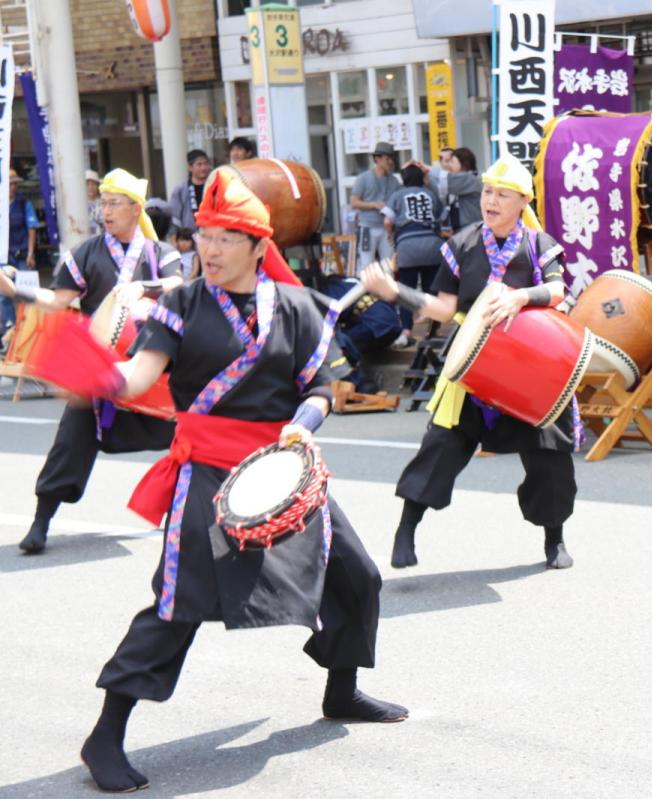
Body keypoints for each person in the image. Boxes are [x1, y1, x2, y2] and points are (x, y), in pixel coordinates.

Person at [76, 167, 405, 793]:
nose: (212, 249)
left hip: (283, 469)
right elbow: (140, 377)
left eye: (228, 238)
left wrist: (306, 424)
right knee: (180, 604)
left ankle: (342, 690)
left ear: (260, 246)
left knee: (356, 575)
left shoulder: (298, 307)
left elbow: (322, 387)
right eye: (205, 236)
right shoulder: (182, 304)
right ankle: (106, 735)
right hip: (207, 472)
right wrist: (96, 375)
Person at [360, 153, 576, 571]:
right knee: (440, 444)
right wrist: (394, 292)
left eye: (502, 194)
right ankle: (406, 528)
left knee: (550, 453)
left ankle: (555, 538)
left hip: (529, 365)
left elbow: (556, 292)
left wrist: (518, 296)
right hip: (474, 364)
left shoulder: (538, 245)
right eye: (488, 192)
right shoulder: (461, 244)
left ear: (522, 201)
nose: (491, 201)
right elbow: (443, 309)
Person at [0, 169, 184, 554]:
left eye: (114, 203)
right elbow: (59, 299)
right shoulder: (88, 252)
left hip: (152, 367)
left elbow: (176, 285)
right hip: (99, 369)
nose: (106, 210)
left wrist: (141, 286)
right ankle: (41, 522)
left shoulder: (160, 254)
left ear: (136, 209)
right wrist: (17, 292)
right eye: (103, 203)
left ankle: (186, 516)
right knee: (69, 443)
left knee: (190, 440)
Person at [383, 163, 444, 345]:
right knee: (431, 291)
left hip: (407, 247)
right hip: (432, 246)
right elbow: (442, 218)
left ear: (403, 179)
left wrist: (392, 235)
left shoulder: (397, 196)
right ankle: (434, 331)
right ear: (422, 178)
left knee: (405, 291)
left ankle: (407, 331)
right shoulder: (431, 195)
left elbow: (387, 221)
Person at [0, 170, 41, 337]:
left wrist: (31, 253)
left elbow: (32, 228)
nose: (13, 187)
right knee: (3, 295)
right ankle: (10, 329)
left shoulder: (24, 203)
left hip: (23, 254)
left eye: (15, 183)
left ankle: (29, 329)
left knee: (28, 292)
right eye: (10, 184)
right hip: (4, 257)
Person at [350, 142, 400, 267]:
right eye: (387, 158)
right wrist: (373, 204)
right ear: (377, 159)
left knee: (388, 265)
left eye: (392, 158)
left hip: (388, 228)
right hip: (367, 226)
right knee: (366, 264)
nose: (390, 162)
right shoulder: (363, 178)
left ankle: (386, 286)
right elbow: (354, 202)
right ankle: (367, 287)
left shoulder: (394, 181)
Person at [412, 147, 483, 233]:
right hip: (463, 229)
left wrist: (426, 167)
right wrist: (428, 182)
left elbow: (447, 178)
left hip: (472, 228)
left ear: (463, 164)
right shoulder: (462, 181)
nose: (450, 165)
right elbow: (442, 195)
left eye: (452, 162)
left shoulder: (470, 178)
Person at [167, 149, 212, 234]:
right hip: (188, 238)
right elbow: (174, 217)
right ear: (190, 167)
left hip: (212, 235)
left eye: (206, 164)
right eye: (199, 164)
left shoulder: (214, 186)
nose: (203, 167)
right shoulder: (180, 189)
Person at [86, 169, 104, 236]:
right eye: (87, 184)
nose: (90, 187)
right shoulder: (80, 205)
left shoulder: (103, 202)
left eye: (93, 184)